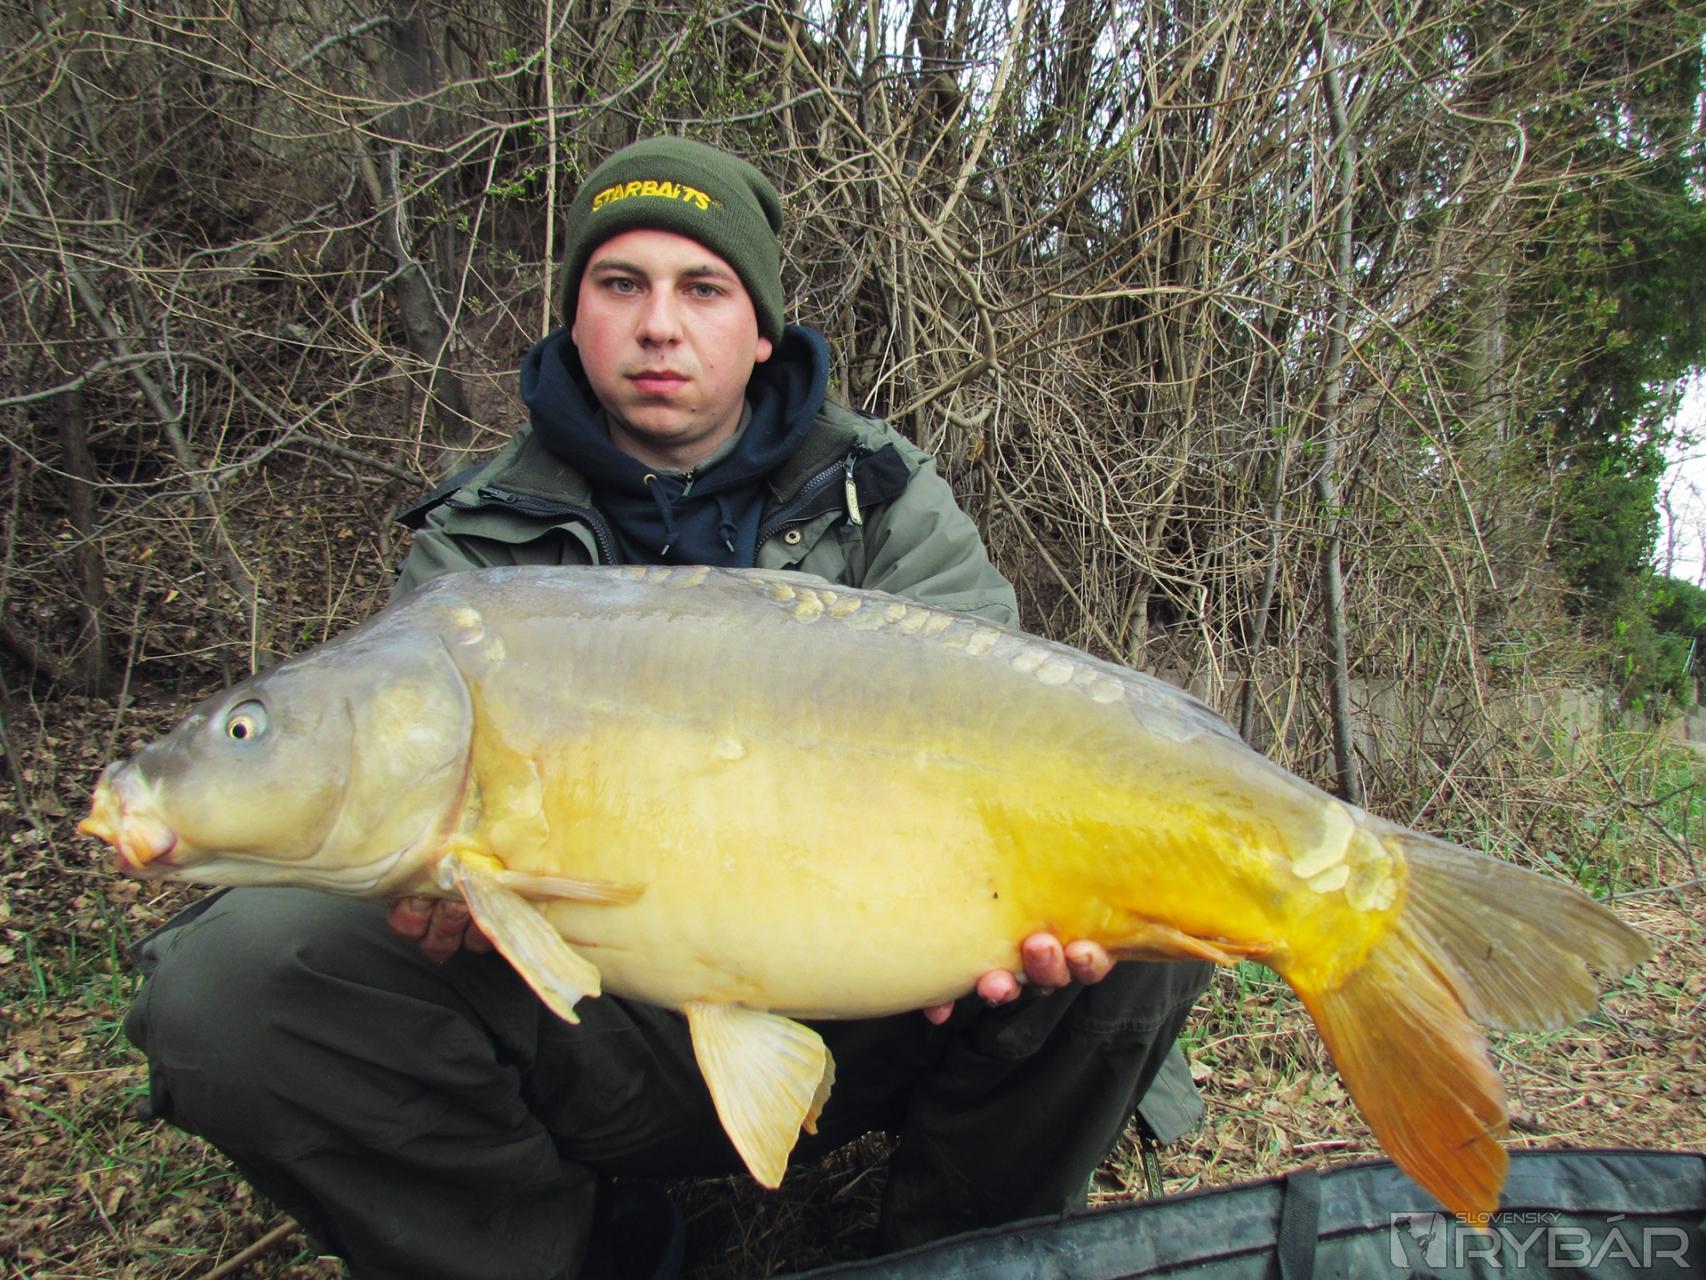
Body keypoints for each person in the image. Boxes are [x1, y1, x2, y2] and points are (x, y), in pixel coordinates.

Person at [124, 136, 1211, 1280]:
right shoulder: (476, 552)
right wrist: (422, 892)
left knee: (1158, 871)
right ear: (572, 315)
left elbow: (1016, 738)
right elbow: (396, 817)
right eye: (619, 284)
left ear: (760, 328)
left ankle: (957, 1250)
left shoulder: (885, 496)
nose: (657, 325)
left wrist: (1025, 920)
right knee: (235, 980)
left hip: (894, 989)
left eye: (701, 288)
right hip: (605, 1015)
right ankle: (572, 1254)